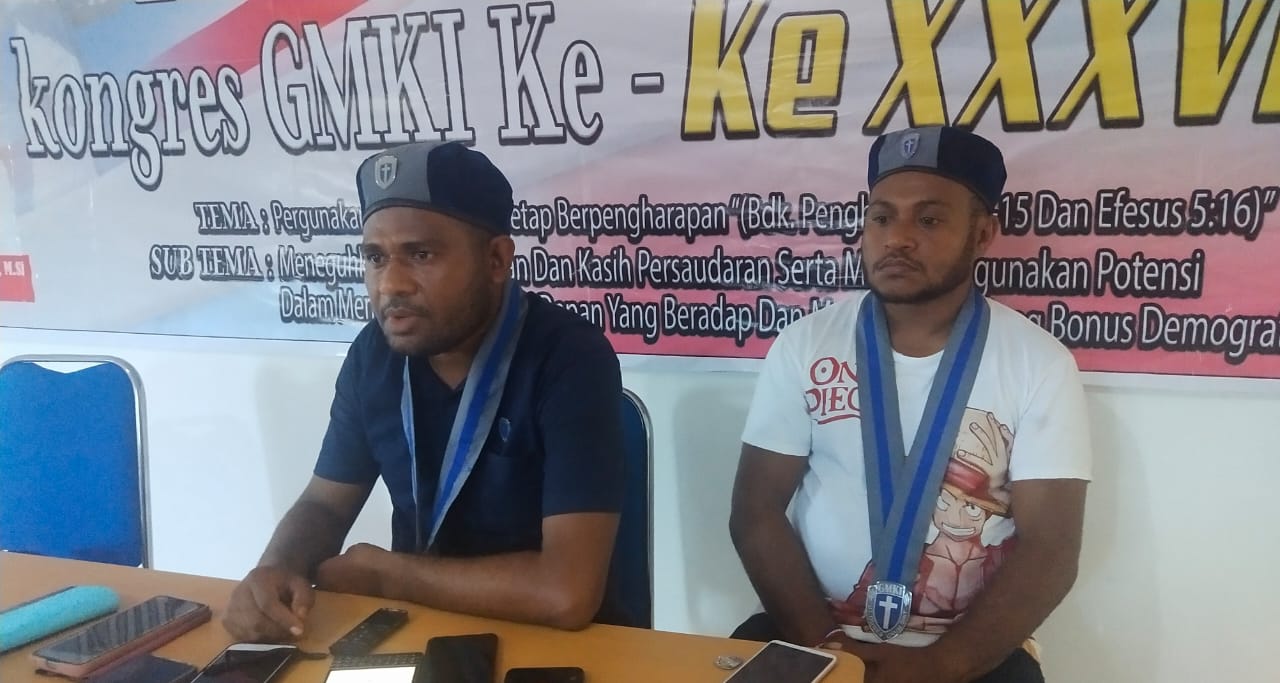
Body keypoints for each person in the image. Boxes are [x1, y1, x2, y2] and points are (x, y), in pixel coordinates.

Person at [223, 141, 630, 641]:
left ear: (497, 259)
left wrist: (386, 576)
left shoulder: (570, 358)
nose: (391, 284)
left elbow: (566, 594)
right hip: (416, 632)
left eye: (420, 254)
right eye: (376, 258)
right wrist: (276, 569)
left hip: (558, 649)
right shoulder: (374, 354)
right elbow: (325, 505)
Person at [729, 126, 1091, 683]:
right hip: (814, 630)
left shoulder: (1038, 363)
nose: (896, 238)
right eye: (881, 217)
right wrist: (829, 649)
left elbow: (1052, 548)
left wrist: (942, 666)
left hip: (966, 652)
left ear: (983, 234)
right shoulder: (805, 345)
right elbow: (755, 513)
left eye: (929, 220)